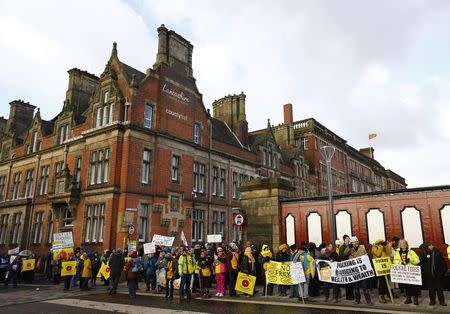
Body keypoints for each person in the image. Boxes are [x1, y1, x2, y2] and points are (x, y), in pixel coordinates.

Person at [345, 236, 372, 305]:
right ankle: (357, 300)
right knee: (356, 287)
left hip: (362, 271)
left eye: (357, 241)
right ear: (352, 243)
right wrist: (349, 247)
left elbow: (366, 257)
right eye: (355, 242)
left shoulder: (362, 248)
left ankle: (368, 301)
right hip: (355, 271)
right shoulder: (350, 249)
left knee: (364, 287)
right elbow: (345, 254)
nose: (356, 243)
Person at [393, 239, 420, 305]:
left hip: (412, 272)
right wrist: (401, 263)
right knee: (407, 286)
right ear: (399, 245)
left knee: (414, 286)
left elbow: (417, 260)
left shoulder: (411, 252)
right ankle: (408, 299)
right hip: (404, 272)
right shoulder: (397, 252)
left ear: (406, 244)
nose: (403, 245)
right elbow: (395, 261)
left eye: (404, 243)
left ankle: (415, 299)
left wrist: (410, 260)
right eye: (401, 243)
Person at [420, 242, 447, 306]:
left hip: (438, 275)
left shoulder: (438, 253)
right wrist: (424, 272)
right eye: (429, 246)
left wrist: (442, 273)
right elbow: (421, 264)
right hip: (429, 275)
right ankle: (432, 301)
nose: (431, 246)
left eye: (431, 245)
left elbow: (443, 264)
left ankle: (442, 301)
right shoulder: (424, 254)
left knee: (439, 289)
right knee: (431, 289)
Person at [371, 239, 392, 303]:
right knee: (381, 282)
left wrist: (387, 247)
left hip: (386, 266)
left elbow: (389, 253)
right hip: (379, 267)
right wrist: (380, 248)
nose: (382, 244)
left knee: (387, 282)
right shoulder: (374, 248)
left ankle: (386, 295)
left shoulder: (384, 247)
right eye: (381, 243)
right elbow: (378, 255)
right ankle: (381, 296)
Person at [339, 235, 354, 300]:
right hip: (346, 265)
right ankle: (349, 296)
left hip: (351, 264)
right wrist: (348, 252)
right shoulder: (342, 247)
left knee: (352, 280)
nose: (348, 239)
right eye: (347, 238)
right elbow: (342, 256)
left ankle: (352, 295)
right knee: (348, 281)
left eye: (349, 238)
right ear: (344, 240)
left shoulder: (351, 246)